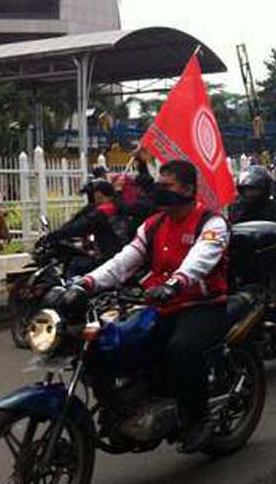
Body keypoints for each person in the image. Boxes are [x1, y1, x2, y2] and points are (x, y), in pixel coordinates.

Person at [79, 160, 230, 453]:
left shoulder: (211, 222)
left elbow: (201, 257)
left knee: (181, 349)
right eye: (158, 184)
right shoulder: (154, 224)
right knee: (115, 344)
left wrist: (176, 283)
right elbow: (123, 261)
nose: (159, 190)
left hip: (201, 304)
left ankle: (198, 419)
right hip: (159, 305)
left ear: (187, 189)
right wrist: (85, 282)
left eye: (167, 186)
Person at [43, 179, 126, 276]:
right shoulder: (120, 206)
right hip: (120, 257)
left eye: (99, 198)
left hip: (109, 260)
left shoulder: (103, 212)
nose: (96, 202)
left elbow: (80, 226)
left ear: (100, 195)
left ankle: (72, 290)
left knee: (75, 264)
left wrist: (54, 235)